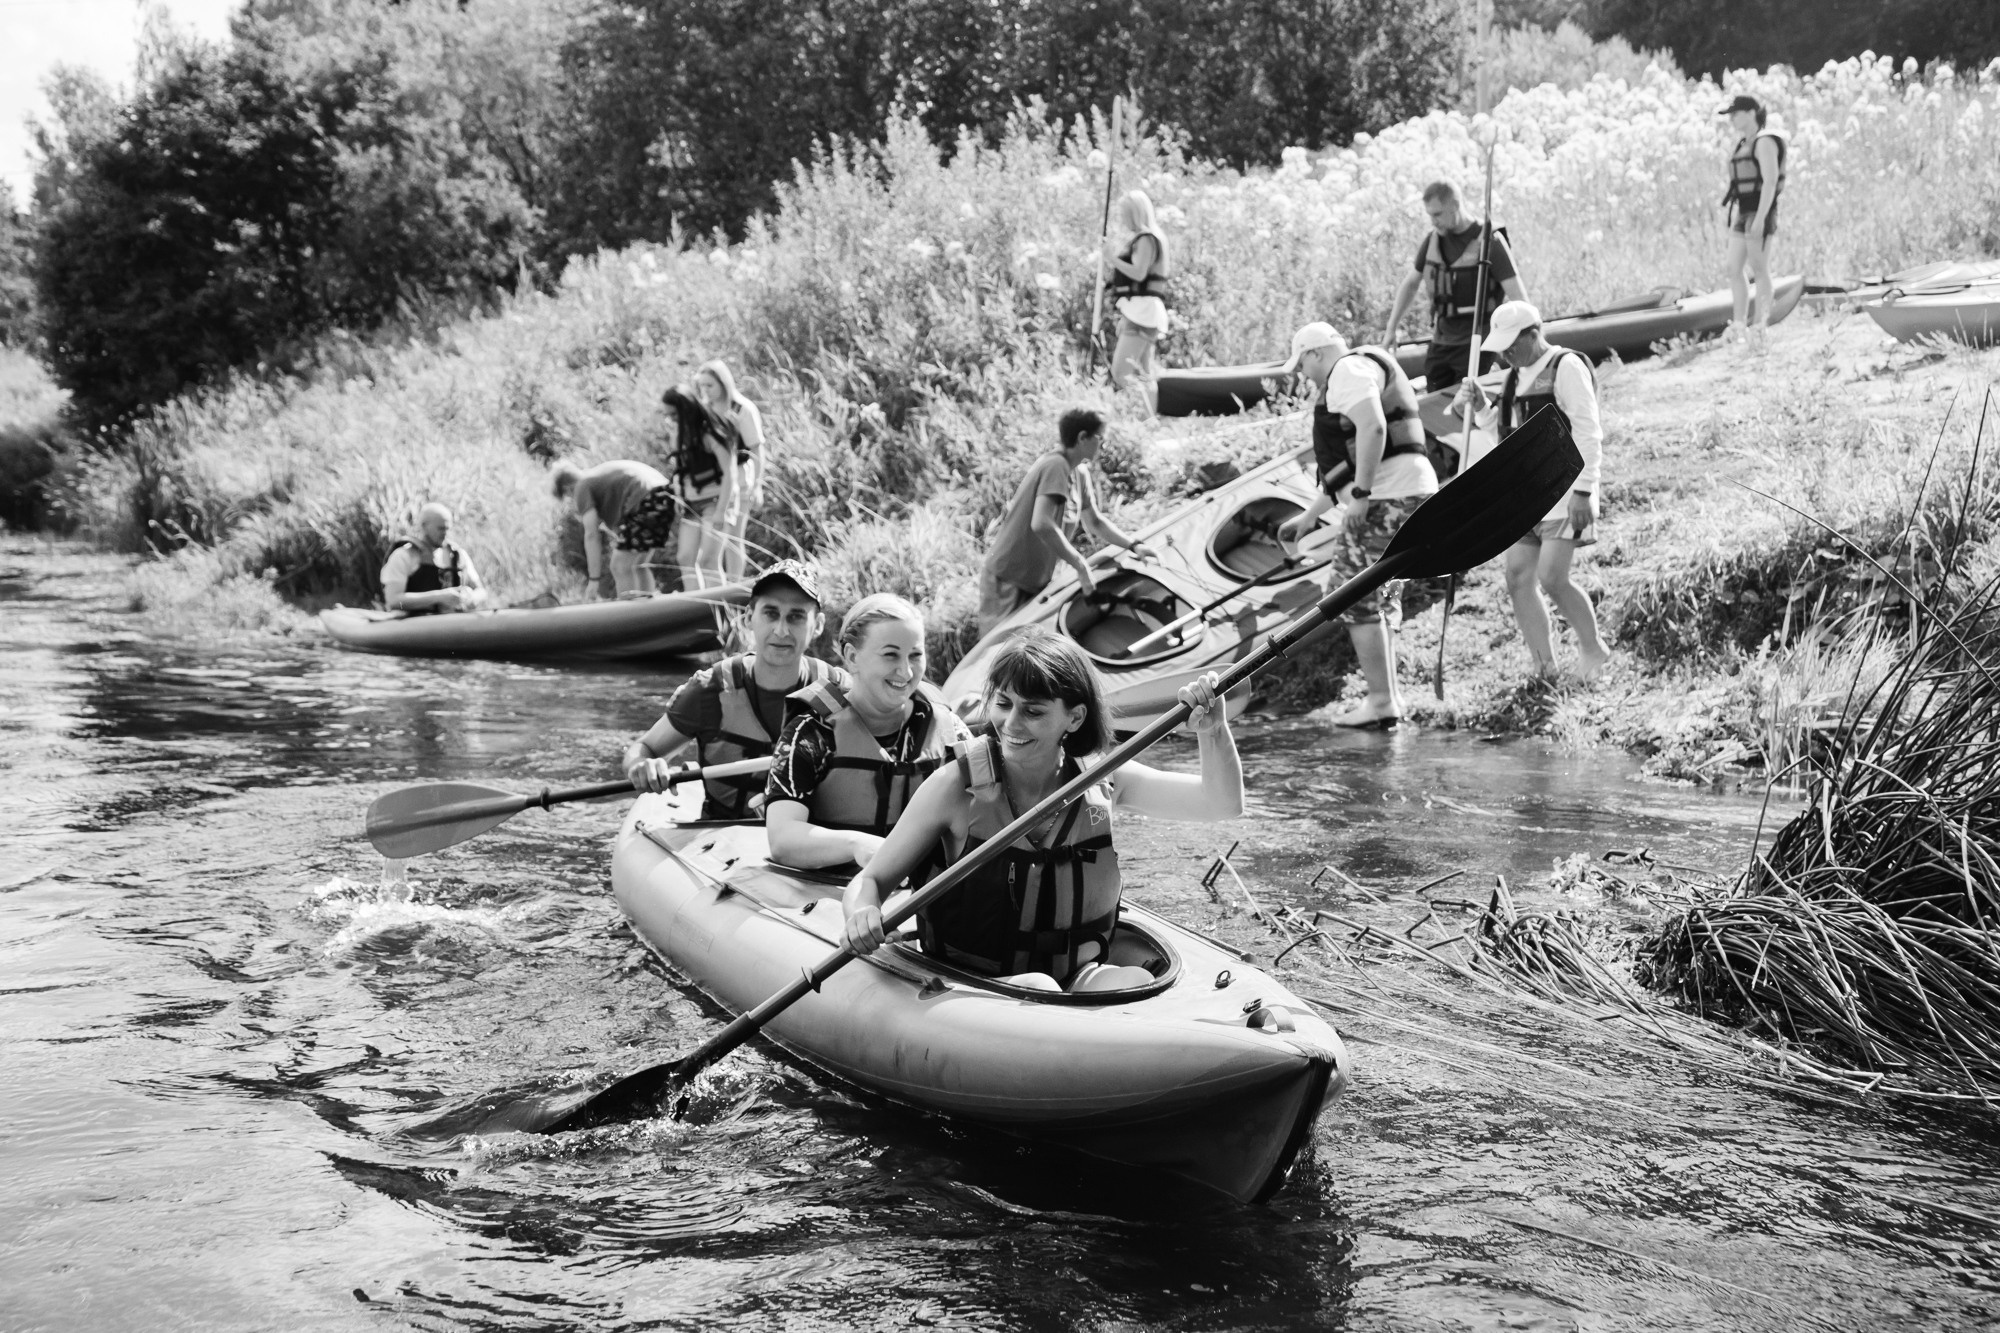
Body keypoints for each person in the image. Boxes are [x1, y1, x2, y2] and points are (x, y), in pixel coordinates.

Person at [841, 632, 1242, 994]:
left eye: (1033, 711)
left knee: (1133, 980)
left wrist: (1213, 732)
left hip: (1077, 976)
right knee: (1037, 984)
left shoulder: (1102, 777)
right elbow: (872, 880)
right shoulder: (954, 787)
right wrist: (862, 913)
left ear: (1075, 716)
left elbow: (1219, 804)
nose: (1010, 724)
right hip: (968, 982)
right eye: (1002, 704)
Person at [1274, 322, 1438, 729]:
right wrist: (1312, 516)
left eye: (1302, 365)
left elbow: (1374, 427)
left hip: (1387, 497)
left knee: (1353, 597)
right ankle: (1389, 699)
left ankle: (1382, 701)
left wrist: (1362, 495)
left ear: (1315, 353)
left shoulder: (1345, 372)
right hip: (1402, 492)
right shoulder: (1362, 368)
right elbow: (1354, 453)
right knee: (1376, 597)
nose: (1303, 375)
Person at [1452, 301, 1610, 680]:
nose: (1506, 353)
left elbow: (1588, 430)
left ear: (1534, 333)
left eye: (1512, 343)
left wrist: (1585, 490)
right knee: (1518, 577)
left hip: (1566, 491)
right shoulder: (1513, 376)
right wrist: (1483, 408)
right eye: (1501, 345)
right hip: (1526, 497)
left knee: (1552, 577)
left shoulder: (1565, 366)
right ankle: (1544, 666)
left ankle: (1594, 650)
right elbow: (1506, 436)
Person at [764, 593, 972, 869]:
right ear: (852, 657)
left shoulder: (949, 729)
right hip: (828, 892)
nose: (906, 671)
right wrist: (856, 845)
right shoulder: (812, 733)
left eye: (915, 655)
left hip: (925, 893)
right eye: (890, 655)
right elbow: (782, 839)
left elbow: (991, 806)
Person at [623, 561, 841, 819]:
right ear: (749, 618)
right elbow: (644, 747)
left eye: (796, 617)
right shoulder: (710, 690)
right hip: (723, 837)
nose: (781, 630)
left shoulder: (837, 691)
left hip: (809, 838)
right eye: (771, 614)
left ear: (817, 625)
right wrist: (642, 766)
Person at [977, 408, 1156, 638]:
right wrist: (1080, 565)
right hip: (1008, 579)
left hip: (1034, 581)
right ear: (1082, 438)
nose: (1102, 445)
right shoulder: (1055, 465)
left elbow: (1094, 522)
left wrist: (1134, 545)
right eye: (1100, 438)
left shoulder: (1079, 472)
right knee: (997, 651)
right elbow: (1041, 523)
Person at [1383, 180, 1528, 393]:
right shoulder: (1433, 240)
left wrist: (1529, 341)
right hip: (1442, 343)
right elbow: (1411, 284)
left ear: (1455, 205)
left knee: (1471, 408)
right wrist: (1391, 328)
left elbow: (1520, 299)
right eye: (1430, 215)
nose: (1433, 221)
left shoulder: (1490, 241)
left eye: (1438, 214)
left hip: (1480, 342)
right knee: (1435, 408)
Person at [659, 377, 739, 592]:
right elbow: (682, 469)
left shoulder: (711, 432)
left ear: (686, 410)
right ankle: (696, 609)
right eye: (667, 415)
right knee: (685, 557)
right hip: (692, 504)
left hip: (716, 500)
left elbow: (730, 472)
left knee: (709, 561)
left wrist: (722, 510)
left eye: (674, 415)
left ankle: (721, 615)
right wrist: (678, 492)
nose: (671, 420)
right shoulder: (680, 434)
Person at [551, 459, 674, 597]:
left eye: (569, 496)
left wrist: (593, 579)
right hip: (665, 496)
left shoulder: (581, 486)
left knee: (619, 566)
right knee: (638, 565)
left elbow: (591, 534)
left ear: (568, 488)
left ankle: (630, 615)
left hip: (646, 499)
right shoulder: (598, 476)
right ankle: (650, 610)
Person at [1719, 93, 1786, 347]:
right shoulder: (1741, 144)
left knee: (1759, 268)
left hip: (1761, 210)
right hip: (1742, 211)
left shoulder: (1764, 142)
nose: (1732, 119)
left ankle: (1760, 326)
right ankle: (1739, 325)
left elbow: (1769, 182)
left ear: (1751, 113)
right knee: (1733, 268)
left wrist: (1760, 219)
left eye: (1736, 114)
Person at [693, 359, 766, 585]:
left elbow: (756, 448)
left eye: (710, 386)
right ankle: (717, 588)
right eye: (702, 386)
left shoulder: (742, 409)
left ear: (723, 384)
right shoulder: (705, 410)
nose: (706, 391)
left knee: (734, 537)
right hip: (714, 482)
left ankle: (734, 585)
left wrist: (757, 485)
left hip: (741, 478)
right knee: (714, 541)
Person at [1101, 190, 1172, 395]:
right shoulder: (1151, 238)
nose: (1122, 219)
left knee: (1121, 373)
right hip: (1142, 311)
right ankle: (1148, 420)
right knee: (1143, 373)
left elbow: (1139, 274)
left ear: (1135, 213)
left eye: (1125, 214)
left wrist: (1110, 258)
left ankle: (1145, 413)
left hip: (1143, 312)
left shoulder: (1145, 239)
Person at [380, 502, 487, 614]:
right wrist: (440, 597)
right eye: (440, 529)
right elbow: (394, 601)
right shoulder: (403, 556)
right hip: (417, 625)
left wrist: (473, 598)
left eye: (447, 528)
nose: (445, 533)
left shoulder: (458, 555)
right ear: (424, 526)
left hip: (454, 624)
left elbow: (482, 591)